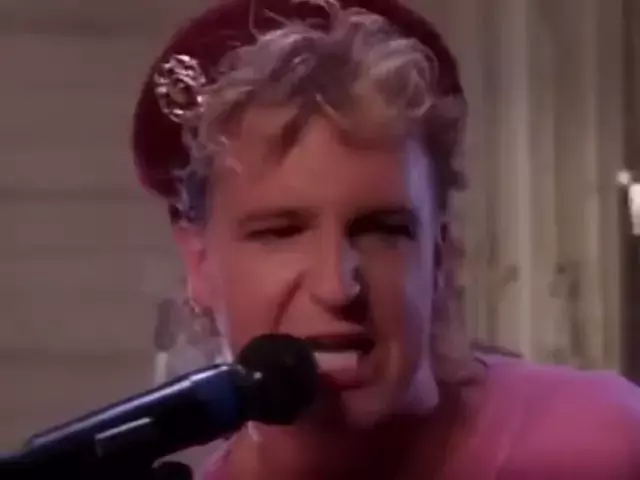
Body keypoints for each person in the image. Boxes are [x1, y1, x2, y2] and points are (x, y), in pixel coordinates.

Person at [131, 0, 640, 478]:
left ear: (440, 254)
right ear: (199, 263)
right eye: (280, 232)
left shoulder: (601, 446)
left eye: (384, 230)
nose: (337, 286)